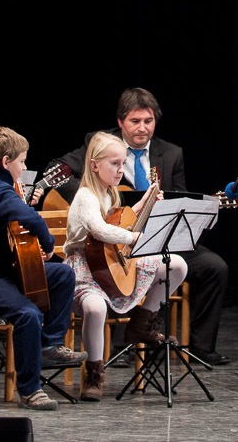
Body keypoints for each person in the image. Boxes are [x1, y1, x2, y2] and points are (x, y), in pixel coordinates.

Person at [50, 87, 230, 366]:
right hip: (114, 241)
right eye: (135, 121)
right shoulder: (99, 144)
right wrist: (92, 201)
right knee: (122, 267)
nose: (143, 128)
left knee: (214, 267)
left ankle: (198, 345)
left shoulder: (171, 154)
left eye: (149, 121)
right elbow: (57, 171)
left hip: (153, 234)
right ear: (121, 121)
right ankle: (121, 346)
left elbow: (178, 197)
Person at [0, 126, 84, 410]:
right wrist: (49, 245)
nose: (24, 167)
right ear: (5, 162)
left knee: (63, 275)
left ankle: (49, 345)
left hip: (3, 270)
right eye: (22, 161)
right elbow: (31, 219)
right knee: (28, 314)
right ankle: (29, 390)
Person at [63, 131, 188, 401]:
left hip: (111, 263)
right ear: (94, 165)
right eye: (115, 164)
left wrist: (146, 203)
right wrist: (133, 238)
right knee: (95, 308)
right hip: (85, 269)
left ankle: (141, 322)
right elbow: (99, 231)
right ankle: (94, 373)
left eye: (123, 164)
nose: (121, 170)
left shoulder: (110, 194)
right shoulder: (86, 196)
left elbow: (122, 222)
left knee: (176, 265)